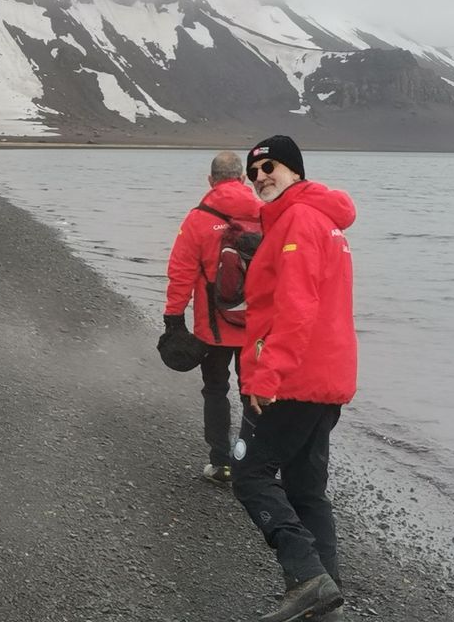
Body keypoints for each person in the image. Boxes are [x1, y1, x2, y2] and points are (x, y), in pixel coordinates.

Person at [232, 135, 358, 622]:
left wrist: (269, 375)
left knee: (250, 474)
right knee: (306, 490)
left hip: (294, 379)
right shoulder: (319, 220)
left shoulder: (299, 221)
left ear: (296, 171)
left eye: (272, 167)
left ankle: (306, 578)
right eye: (255, 171)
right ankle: (326, 603)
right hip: (326, 377)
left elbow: (296, 308)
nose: (262, 176)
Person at [163, 151, 262, 484]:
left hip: (214, 328)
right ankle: (253, 465)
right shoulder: (268, 214)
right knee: (254, 394)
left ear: (211, 181)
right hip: (258, 327)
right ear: (244, 179)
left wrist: (173, 320)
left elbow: (180, 273)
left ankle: (221, 463)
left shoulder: (198, 219)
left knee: (216, 390)